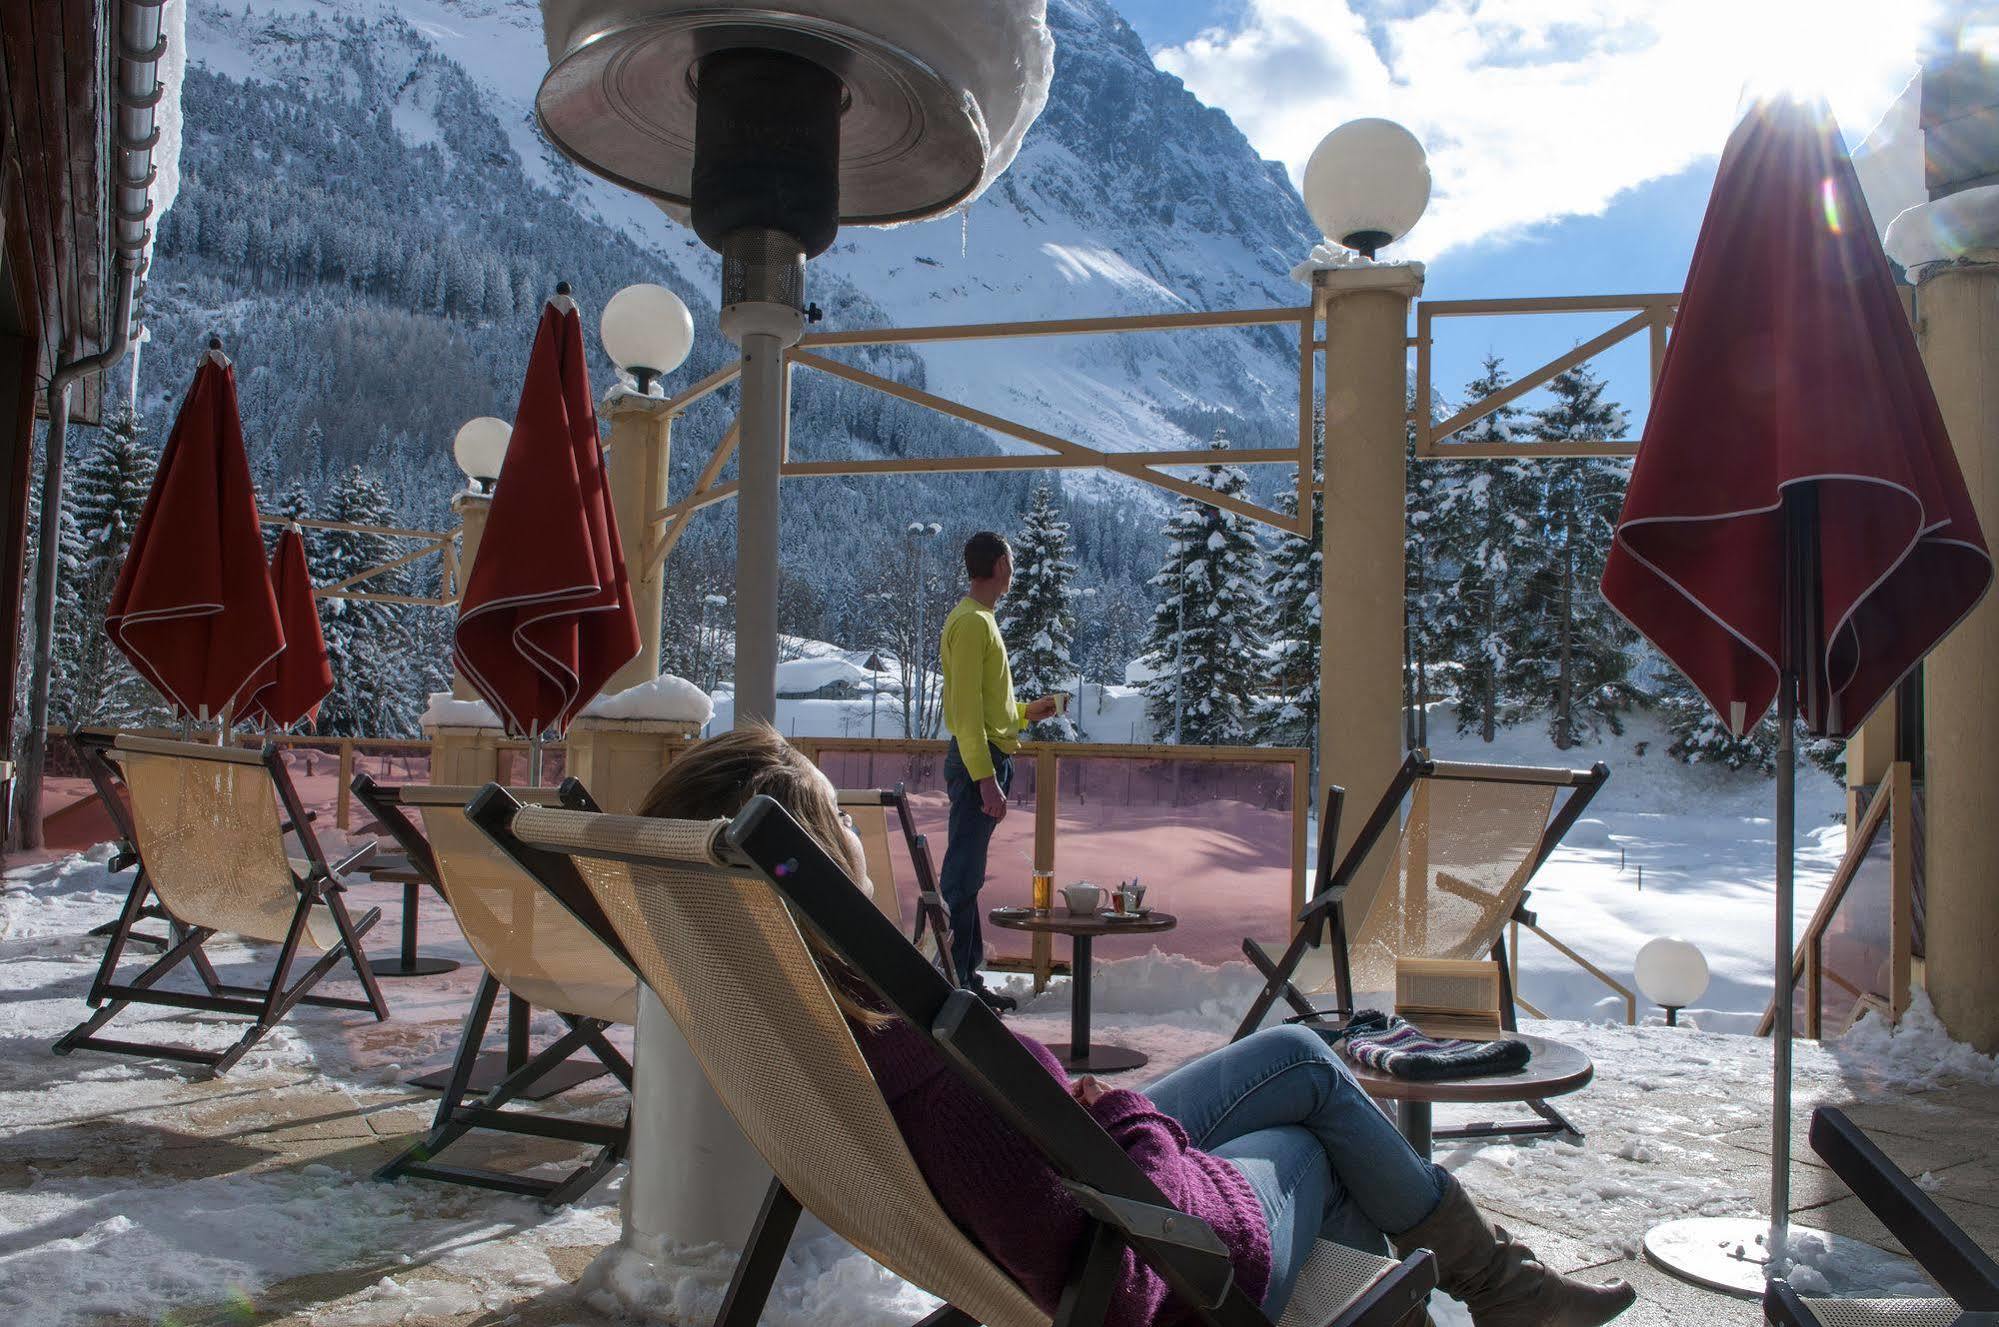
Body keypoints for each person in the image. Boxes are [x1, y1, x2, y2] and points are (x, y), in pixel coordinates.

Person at [638, 726, 1636, 1327]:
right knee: (1310, 1135)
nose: (859, 833)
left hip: (1073, 1171)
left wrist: (1096, 1119)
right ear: (804, 864)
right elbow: (1128, 1232)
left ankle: (1498, 1286)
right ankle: (1495, 1287)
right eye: (839, 822)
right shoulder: (927, 1065)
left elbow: (1030, 1167)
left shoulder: (794, 1022)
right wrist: (1126, 1118)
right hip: (1150, 1257)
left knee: (1298, 1051)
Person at [937, 531, 1061, 1013]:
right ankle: (961, 982)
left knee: (966, 875)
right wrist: (986, 777)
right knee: (962, 878)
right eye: (1010, 560)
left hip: (987, 755)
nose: (1014, 568)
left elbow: (988, 705)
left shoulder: (980, 620)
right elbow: (966, 711)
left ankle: (966, 978)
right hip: (979, 762)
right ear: (996, 566)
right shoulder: (972, 624)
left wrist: (1027, 713)